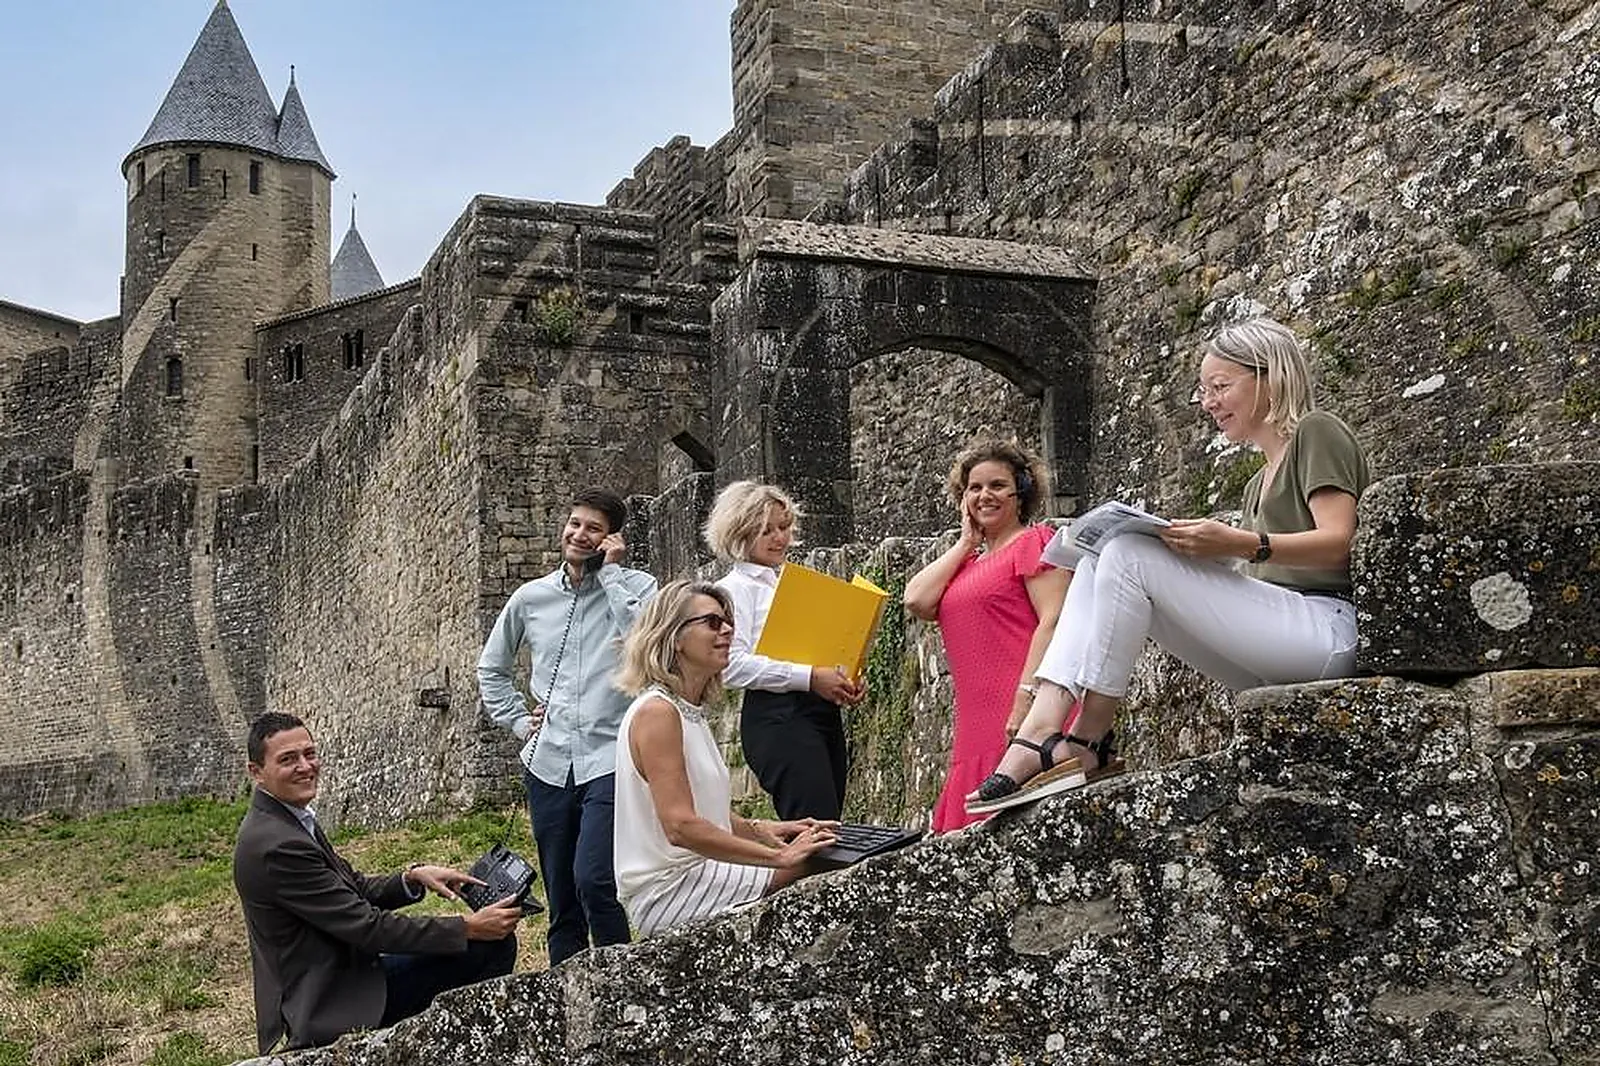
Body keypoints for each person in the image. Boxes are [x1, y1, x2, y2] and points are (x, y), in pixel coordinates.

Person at [966, 315, 1371, 814]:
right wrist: (1207, 548)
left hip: (1327, 634)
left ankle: (1087, 739)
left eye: (1220, 386)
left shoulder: (1316, 432)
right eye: (1204, 390)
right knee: (1103, 554)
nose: (1207, 402)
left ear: (1270, 376)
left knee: (1130, 553)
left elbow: (1339, 541)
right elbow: (1263, 573)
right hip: (1279, 650)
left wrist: (1240, 543)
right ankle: (1044, 725)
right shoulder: (1256, 481)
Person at [233, 712, 520, 1053]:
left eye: (309, 753)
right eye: (288, 759)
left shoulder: (284, 819)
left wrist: (413, 878)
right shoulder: (276, 845)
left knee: (480, 946)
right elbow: (368, 927)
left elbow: (353, 888)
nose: (306, 766)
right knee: (489, 947)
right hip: (330, 1001)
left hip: (343, 978)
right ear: (257, 773)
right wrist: (466, 927)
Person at [477, 488, 658, 966]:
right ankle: (565, 1003)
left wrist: (613, 575)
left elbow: (649, 647)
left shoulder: (639, 587)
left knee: (595, 879)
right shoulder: (530, 598)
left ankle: (620, 982)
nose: (579, 534)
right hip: (549, 762)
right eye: (575, 523)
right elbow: (491, 669)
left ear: (612, 538)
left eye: (593, 528)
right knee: (562, 900)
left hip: (611, 757)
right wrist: (519, 721)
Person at [612, 580, 839, 936]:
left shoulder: (686, 710)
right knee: (819, 861)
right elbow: (680, 826)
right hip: (672, 888)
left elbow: (702, 806)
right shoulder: (659, 713)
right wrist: (778, 857)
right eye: (713, 623)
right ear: (674, 637)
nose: (729, 630)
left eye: (728, 621)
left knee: (828, 847)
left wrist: (760, 830)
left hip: (696, 872)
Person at [903, 440, 1070, 832]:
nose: (984, 496)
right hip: (975, 727)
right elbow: (915, 599)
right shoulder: (966, 564)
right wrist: (965, 543)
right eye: (974, 488)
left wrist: (1026, 697)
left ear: (1021, 492)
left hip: (1021, 711)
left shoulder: (1034, 541)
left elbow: (1054, 618)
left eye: (996, 485)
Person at [704, 481, 865, 821]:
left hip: (819, 711)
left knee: (829, 823)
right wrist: (809, 677)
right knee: (815, 827)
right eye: (766, 530)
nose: (780, 537)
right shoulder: (732, 590)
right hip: (778, 716)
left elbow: (814, 649)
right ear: (740, 532)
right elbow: (729, 666)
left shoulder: (789, 584)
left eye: (784, 527)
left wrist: (843, 676)